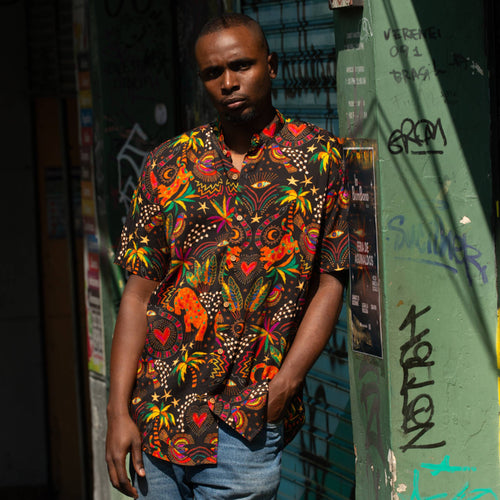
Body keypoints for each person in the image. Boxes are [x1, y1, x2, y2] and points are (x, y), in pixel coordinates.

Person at [105, 13, 349, 500]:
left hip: (244, 424)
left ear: (271, 66)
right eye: (213, 73)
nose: (229, 82)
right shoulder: (168, 162)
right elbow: (138, 294)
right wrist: (117, 413)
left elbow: (332, 280)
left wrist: (286, 384)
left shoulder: (319, 159)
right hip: (156, 421)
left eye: (241, 66)